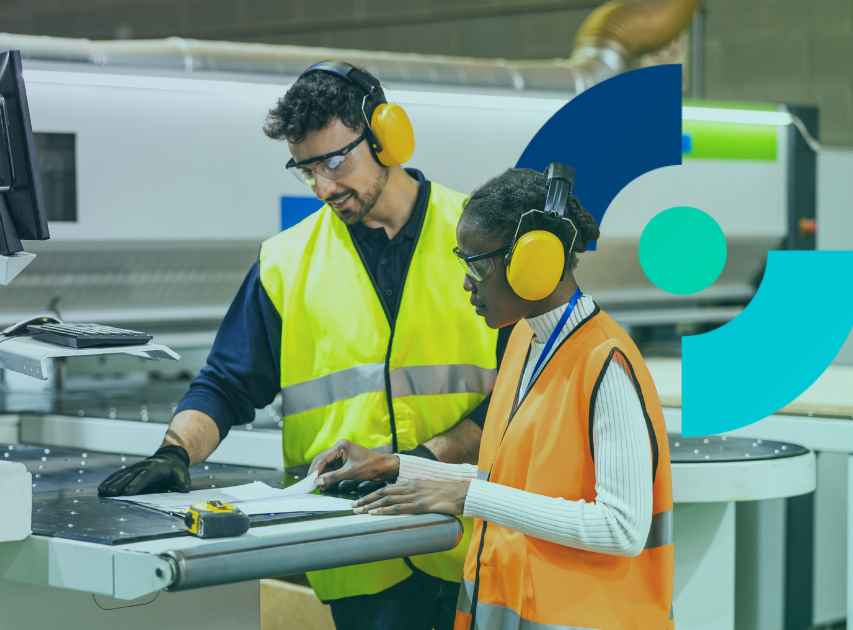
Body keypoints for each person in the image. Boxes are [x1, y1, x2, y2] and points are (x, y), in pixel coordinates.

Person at [97, 61, 505, 630]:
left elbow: (525, 390)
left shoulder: (477, 234)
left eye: (336, 161)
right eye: (306, 169)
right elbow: (227, 382)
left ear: (389, 136)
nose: (324, 187)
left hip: (476, 543)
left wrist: (419, 465)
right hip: (358, 553)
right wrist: (175, 452)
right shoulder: (284, 263)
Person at [309, 166, 674, 630]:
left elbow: (622, 528)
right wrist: (399, 465)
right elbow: (509, 479)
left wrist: (467, 495)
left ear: (534, 263)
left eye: (477, 266)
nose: (467, 284)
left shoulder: (606, 363)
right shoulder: (527, 341)